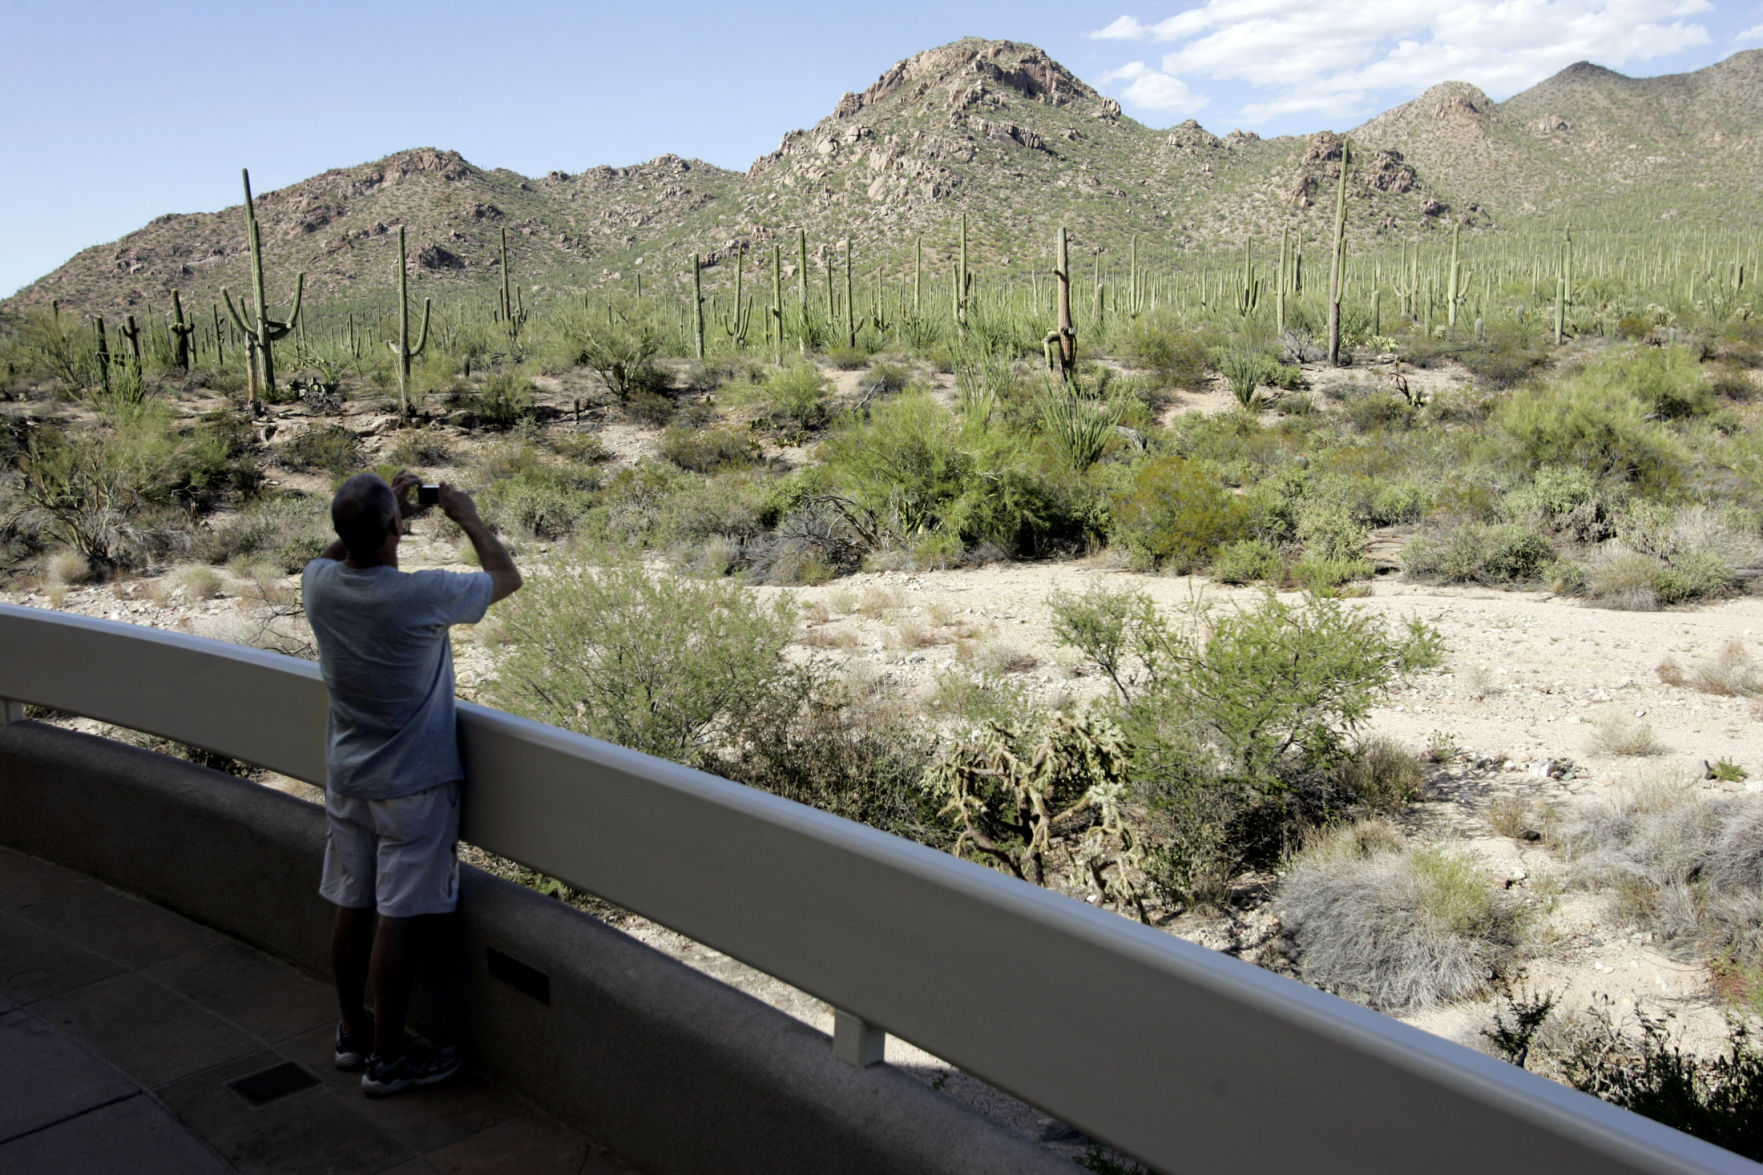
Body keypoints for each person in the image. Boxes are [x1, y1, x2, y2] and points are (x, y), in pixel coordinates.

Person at [302, 470, 521, 1097]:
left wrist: (374, 519)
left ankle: (353, 1032)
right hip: (414, 787)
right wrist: (470, 518)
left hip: (349, 779)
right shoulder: (420, 595)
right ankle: (389, 1057)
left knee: (353, 904)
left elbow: (330, 555)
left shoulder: (319, 586)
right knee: (397, 919)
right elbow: (507, 579)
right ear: (399, 529)